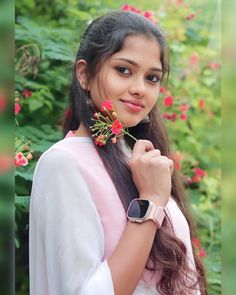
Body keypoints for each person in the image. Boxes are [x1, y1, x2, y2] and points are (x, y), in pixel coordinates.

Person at [29, 10, 207, 295]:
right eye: (123, 70)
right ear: (85, 75)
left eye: (152, 78)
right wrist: (149, 203)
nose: (139, 89)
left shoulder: (141, 163)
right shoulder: (63, 163)